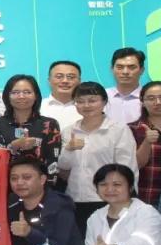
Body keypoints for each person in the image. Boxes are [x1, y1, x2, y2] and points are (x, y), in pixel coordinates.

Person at [56, 82, 137, 236]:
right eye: (80, 101)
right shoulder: (69, 131)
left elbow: (127, 168)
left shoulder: (118, 129)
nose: (86, 105)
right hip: (75, 198)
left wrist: (125, 199)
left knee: (108, 242)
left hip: (108, 199)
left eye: (92, 100)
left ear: (104, 102)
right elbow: (63, 166)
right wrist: (69, 149)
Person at [0, 75, 62, 180]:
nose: (21, 96)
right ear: (7, 96)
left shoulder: (50, 124)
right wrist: (13, 146)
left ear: (36, 96)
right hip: (6, 185)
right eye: (15, 92)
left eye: (27, 92)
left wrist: (48, 186)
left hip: (40, 185)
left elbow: (53, 161)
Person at [104, 47, 146, 124]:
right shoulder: (102, 96)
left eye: (131, 67)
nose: (125, 72)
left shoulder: (149, 98)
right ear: (112, 69)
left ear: (142, 70)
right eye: (120, 67)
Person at [40, 60, 82, 134]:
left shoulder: (91, 108)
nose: (65, 81)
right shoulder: (37, 107)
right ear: (49, 80)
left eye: (71, 77)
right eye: (59, 77)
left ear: (79, 81)